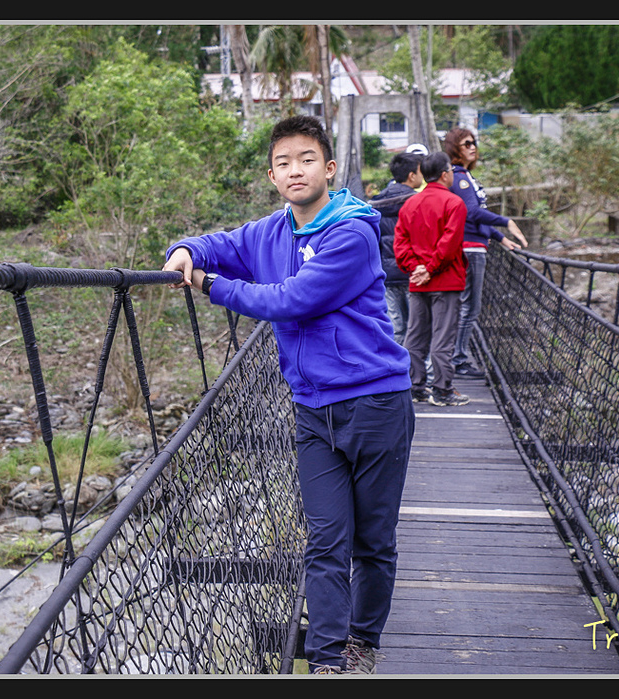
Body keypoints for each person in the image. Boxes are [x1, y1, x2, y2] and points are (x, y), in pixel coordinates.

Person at [162, 115, 415, 675]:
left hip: (375, 404)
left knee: (373, 540)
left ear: (328, 168)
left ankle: (362, 642)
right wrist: (186, 249)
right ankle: (327, 661)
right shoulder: (271, 232)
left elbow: (290, 299)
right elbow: (222, 244)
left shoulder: (351, 232)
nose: (294, 170)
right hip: (312, 409)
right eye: (283, 162)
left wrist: (209, 285)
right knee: (325, 539)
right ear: (272, 176)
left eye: (306, 159)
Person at [442, 128, 528, 379]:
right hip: (470, 249)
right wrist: (505, 222)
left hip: (473, 246)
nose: (472, 147)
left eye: (474, 142)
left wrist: (500, 238)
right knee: (470, 307)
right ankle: (458, 359)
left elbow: (474, 217)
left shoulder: (465, 176)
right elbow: (471, 213)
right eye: (466, 143)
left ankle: (455, 356)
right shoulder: (461, 178)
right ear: (454, 148)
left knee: (467, 306)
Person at [393, 151, 470, 407]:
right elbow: (450, 242)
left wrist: (416, 268)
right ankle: (443, 390)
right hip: (445, 281)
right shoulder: (455, 203)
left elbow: (400, 242)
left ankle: (415, 387)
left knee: (415, 335)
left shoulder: (410, 204)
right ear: (445, 173)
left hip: (418, 282)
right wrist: (432, 268)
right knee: (443, 337)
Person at [370, 152, 424, 346]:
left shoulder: (376, 202)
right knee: (419, 327)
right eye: (420, 171)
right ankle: (421, 372)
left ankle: (398, 370)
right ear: (411, 176)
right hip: (414, 273)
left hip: (387, 275)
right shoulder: (419, 201)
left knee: (396, 327)